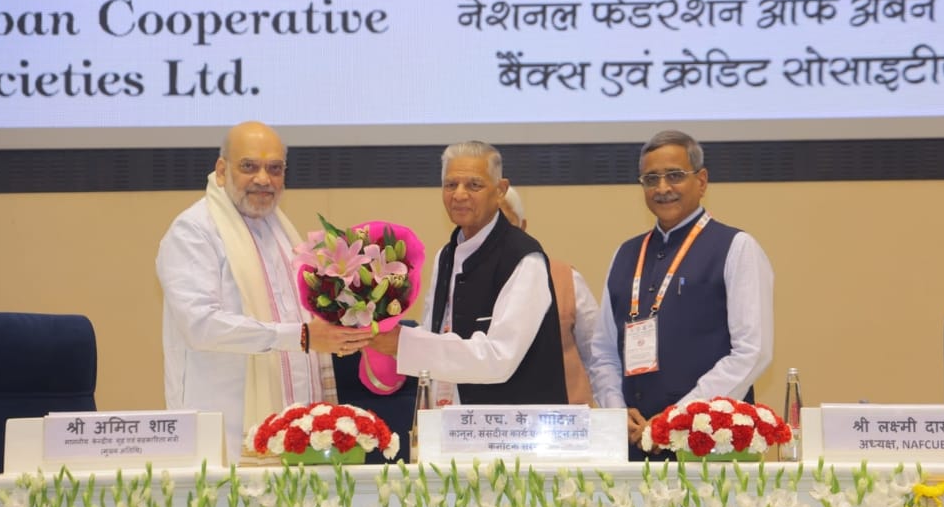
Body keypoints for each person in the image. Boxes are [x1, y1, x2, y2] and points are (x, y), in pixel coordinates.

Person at [156, 121, 374, 462]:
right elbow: (200, 326)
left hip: (293, 427)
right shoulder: (194, 231)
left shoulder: (280, 230)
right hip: (225, 432)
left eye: (274, 169)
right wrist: (301, 337)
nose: (263, 179)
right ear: (222, 170)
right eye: (249, 166)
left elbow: (300, 316)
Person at [595, 129, 774, 460]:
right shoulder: (625, 254)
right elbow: (603, 351)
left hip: (708, 444)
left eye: (675, 176)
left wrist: (679, 418)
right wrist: (615, 411)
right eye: (651, 179)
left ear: (701, 181)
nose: (662, 188)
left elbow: (752, 352)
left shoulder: (737, 248)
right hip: (632, 443)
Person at [369, 140, 567, 405]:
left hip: (512, 423)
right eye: (451, 185)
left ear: (500, 190)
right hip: (452, 418)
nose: (459, 195)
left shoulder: (524, 258)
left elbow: (500, 358)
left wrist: (403, 344)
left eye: (474, 185)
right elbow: (434, 332)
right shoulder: (446, 254)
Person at [498, 185, 623, 407]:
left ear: (523, 227)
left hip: (565, 420)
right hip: (488, 421)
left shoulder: (566, 279)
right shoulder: (456, 283)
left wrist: (612, 413)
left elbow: (598, 356)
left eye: (504, 223)